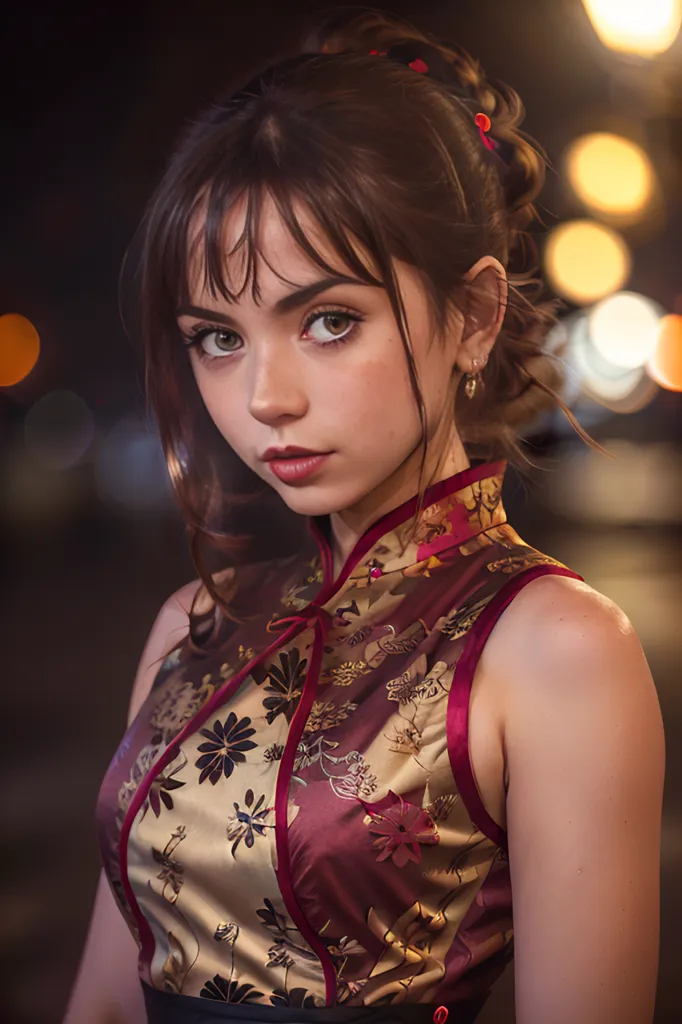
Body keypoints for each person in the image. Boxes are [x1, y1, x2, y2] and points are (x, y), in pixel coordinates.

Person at [62, 8, 665, 1024]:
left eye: (327, 320)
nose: (265, 396)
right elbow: (107, 998)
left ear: (470, 317)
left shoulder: (553, 650)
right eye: (216, 336)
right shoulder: (193, 625)